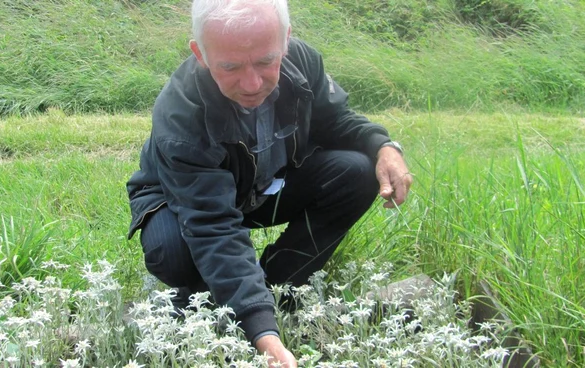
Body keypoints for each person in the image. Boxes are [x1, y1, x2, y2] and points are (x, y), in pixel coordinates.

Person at [126, 0, 412, 366]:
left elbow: (336, 119)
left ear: (286, 41)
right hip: (179, 199)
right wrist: (261, 331)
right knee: (174, 253)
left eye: (265, 61)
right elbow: (211, 223)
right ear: (201, 53)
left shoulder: (302, 63)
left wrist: (383, 147)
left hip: (266, 185)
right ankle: (225, 300)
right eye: (230, 66)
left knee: (356, 172)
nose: (252, 83)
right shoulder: (181, 114)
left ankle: (278, 284)